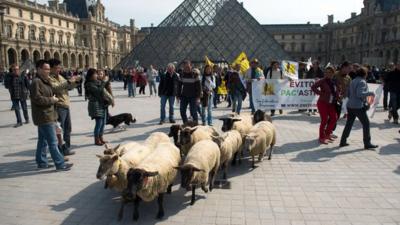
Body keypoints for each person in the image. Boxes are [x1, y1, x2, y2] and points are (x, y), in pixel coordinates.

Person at [30, 60, 73, 171]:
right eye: (45, 69)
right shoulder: (36, 82)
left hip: (48, 114)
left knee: (42, 141)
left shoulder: (45, 81)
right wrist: (52, 100)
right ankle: (60, 164)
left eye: (49, 69)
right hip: (44, 116)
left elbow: (55, 89)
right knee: (53, 142)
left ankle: (41, 162)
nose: (48, 71)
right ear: (39, 69)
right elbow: (37, 98)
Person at [339, 67, 378, 149]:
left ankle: (343, 141)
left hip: (350, 105)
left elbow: (349, 94)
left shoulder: (353, 81)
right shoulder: (362, 82)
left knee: (349, 124)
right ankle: (367, 143)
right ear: (365, 74)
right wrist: (371, 93)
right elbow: (359, 94)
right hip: (358, 107)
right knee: (366, 123)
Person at [48, 59, 79, 156]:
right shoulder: (50, 78)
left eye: (59, 67)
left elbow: (68, 87)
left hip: (66, 105)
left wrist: (76, 82)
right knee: (60, 130)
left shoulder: (60, 76)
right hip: (59, 106)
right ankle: (60, 150)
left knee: (68, 129)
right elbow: (56, 88)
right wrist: (69, 81)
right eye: (57, 68)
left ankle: (66, 148)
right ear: (51, 68)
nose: (59, 69)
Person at [85, 68, 114, 146]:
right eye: (95, 74)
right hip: (95, 105)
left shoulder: (97, 82)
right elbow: (98, 91)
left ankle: (101, 137)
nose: (97, 75)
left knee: (103, 123)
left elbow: (105, 89)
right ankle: (96, 139)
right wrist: (103, 82)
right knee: (99, 123)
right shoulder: (89, 84)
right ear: (91, 76)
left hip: (102, 104)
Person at [311, 66, 339, 145]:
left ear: (333, 73)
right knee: (325, 120)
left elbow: (336, 90)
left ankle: (327, 134)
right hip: (322, 103)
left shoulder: (334, 81)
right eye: (326, 72)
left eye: (330, 72)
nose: (327, 74)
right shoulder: (322, 81)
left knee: (334, 118)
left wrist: (338, 96)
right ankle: (321, 137)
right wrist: (321, 94)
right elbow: (313, 87)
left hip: (331, 103)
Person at [178, 60, 202, 125]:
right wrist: (178, 96)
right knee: (182, 111)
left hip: (193, 97)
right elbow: (179, 86)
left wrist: (198, 98)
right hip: (184, 96)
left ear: (191, 66)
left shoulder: (195, 74)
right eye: (185, 67)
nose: (187, 68)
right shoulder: (181, 74)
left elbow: (199, 87)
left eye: (188, 66)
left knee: (193, 112)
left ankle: (196, 124)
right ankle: (186, 123)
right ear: (183, 67)